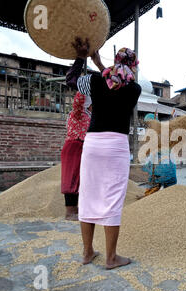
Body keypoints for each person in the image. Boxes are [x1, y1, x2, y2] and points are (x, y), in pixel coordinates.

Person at [66, 37, 141, 270]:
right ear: (134, 66)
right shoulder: (134, 88)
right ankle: (110, 258)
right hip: (116, 146)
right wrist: (99, 64)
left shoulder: (97, 81)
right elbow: (118, 83)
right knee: (111, 200)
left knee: (87, 195)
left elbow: (71, 80)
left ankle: (88, 252)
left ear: (115, 62)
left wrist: (83, 58)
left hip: (93, 143)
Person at [60, 91, 92, 221]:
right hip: (74, 147)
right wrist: (84, 89)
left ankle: (78, 209)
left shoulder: (89, 115)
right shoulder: (78, 113)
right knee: (71, 179)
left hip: (83, 148)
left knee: (82, 180)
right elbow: (78, 102)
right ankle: (70, 212)